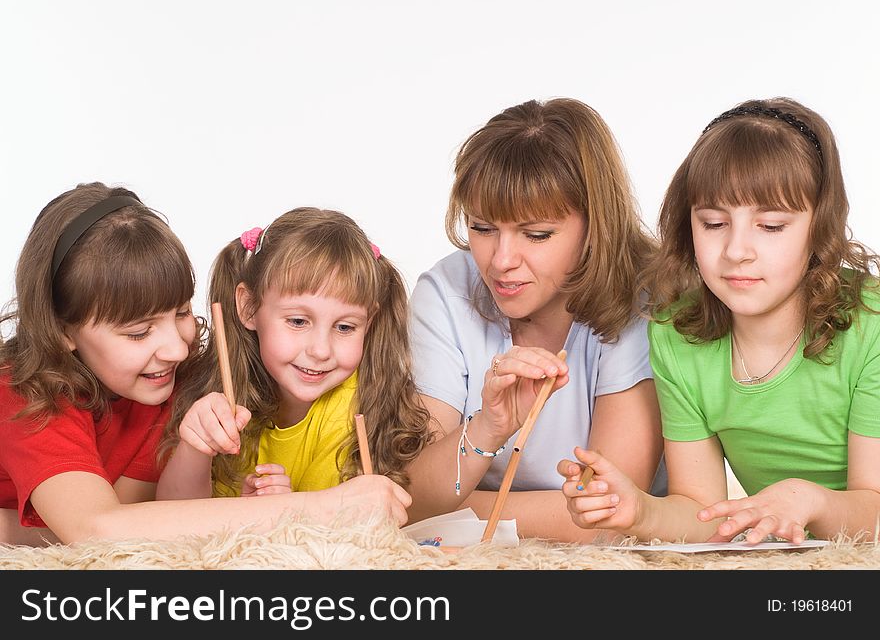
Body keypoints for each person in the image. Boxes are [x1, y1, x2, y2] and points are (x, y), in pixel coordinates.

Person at [0, 184, 409, 545]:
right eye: (139, 332)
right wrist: (322, 508)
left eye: (180, 313)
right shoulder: (25, 392)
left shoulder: (161, 382)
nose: (178, 350)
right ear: (62, 329)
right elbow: (95, 530)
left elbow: (143, 519)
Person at [559, 97, 880, 544]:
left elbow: (875, 511)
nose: (736, 251)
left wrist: (809, 500)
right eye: (713, 223)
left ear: (820, 227)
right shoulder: (676, 333)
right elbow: (703, 511)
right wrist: (638, 511)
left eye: (770, 226)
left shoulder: (872, 324)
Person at [406, 98, 665, 541]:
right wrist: (489, 427)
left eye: (536, 234)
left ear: (594, 225)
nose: (500, 260)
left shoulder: (643, 300)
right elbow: (414, 496)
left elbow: (606, 514)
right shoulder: (445, 291)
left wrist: (458, 506)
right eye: (482, 228)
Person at [158, 208, 432, 510]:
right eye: (299, 322)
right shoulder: (222, 394)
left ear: (369, 322)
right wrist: (195, 449)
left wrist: (278, 510)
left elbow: (330, 531)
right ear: (249, 307)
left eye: (345, 327)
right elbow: (174, 517)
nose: (320, 350)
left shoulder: (355, 405)